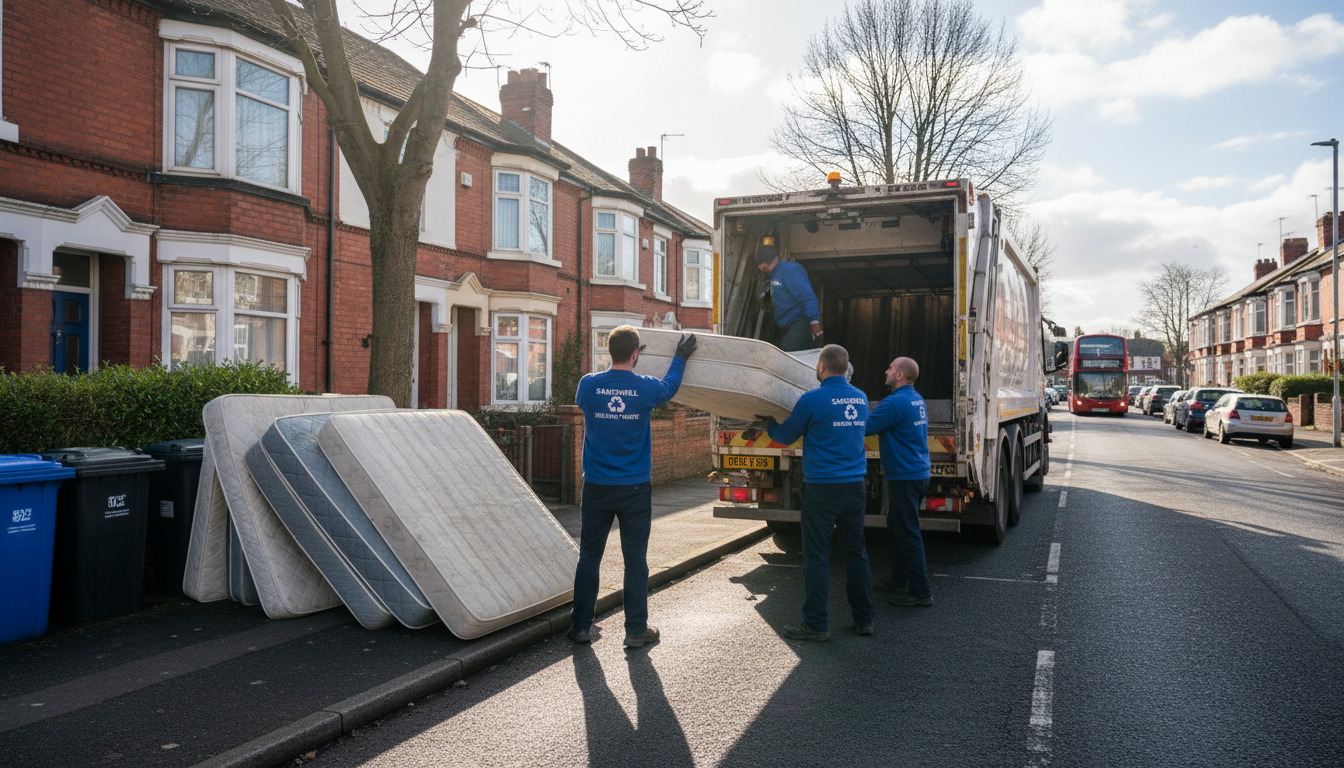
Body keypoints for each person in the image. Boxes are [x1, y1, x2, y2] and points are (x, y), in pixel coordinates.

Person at [569, 325, 697, 648]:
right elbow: (669, 387)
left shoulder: (588, 385)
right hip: (635, 488)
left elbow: (584, 403)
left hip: (596, 486)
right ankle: (635, 630)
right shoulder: (644, 389)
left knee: (589, 557)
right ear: (636, 354)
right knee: (635, 560)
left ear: (608, 351)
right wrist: (680, 356)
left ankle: (581, 627)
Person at [758, 344, 874, 641]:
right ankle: (864, 619)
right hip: (855, 488)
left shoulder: (812, 399)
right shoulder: (860, 398)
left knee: (817, 556)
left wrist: (768, 423)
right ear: (845, 368)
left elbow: (785, 436)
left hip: (822, 488)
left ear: (820, 367)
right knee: (856, 554)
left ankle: (816, 624)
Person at [866, 356, 933, 607]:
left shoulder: (894, 402)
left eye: (890, 368)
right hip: (917, 473)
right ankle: (899, 580)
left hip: (905, 476)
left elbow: (866, 427)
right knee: (898, 527)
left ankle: (921, 592)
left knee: (907, 532)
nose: (886, 370)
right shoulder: (916, 399)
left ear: (900, 375)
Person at [756, 245, 822, 352]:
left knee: (790, 356)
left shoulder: (789, 271)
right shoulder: (773, 275)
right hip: (787, 326)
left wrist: (814, 321)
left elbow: (807, 295)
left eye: (766, 267)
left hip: (799, 322)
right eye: (762, 267)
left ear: (776, 259)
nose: (764, 269)